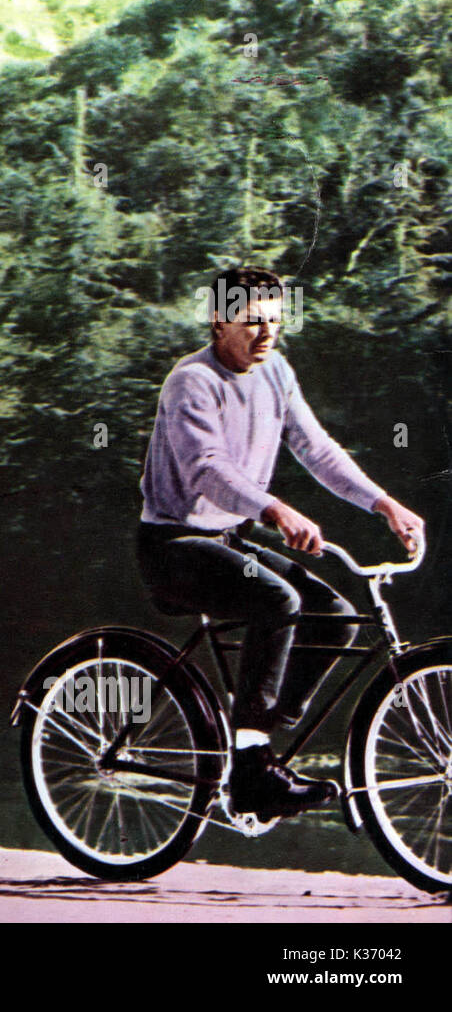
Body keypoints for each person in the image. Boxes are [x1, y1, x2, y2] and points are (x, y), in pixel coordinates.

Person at [136, 266, 423, 822]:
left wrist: (383, 502)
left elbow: (317, 449)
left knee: (334, 617)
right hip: (173, 546)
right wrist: (275, 508)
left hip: (228, 539)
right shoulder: (191, 381)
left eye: (275, 321)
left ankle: (257, 738)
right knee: (278, 601)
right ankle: (252, 772)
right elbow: (207, 469)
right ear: (219, 322)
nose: (266, 334)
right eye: (252, 322)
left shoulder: (276, 373)